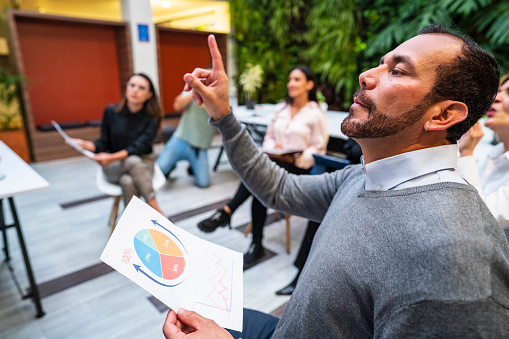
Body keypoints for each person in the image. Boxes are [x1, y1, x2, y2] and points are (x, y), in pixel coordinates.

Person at [163, 25, 509, 339]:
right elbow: (279, 188)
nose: (365, 75)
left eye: (398, 71)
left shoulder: (456, 258)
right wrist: (223, 115)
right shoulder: (362, 176)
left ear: (444, 115)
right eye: (380, 63)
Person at [197, 65, 328, 269]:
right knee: (260, 185)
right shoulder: (280, 108)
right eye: (290, 79)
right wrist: (272, 147)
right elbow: (268, 137)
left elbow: (318, 148)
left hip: (298, 169)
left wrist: (299, 157)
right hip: (274, 161)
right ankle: (249, 235)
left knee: (260, 181)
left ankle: (231, 214)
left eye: (297, 79)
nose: (291, 83)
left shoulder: (316, 114)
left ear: (309, 85)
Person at [71, 73, 165, 215]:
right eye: (132, 85)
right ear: (126, 87)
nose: (135, 90)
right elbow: (103, 143)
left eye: (141, 88)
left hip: (144, 162)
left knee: (127, 181)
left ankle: (132, 223)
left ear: (149, 95)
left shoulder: (153, 117)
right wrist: (84, 144)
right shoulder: (111, 112)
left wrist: (111, 157)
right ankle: (158, 212)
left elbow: (139, 146)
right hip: (115, 166)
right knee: (132, 161)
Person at [458, 74, 509, 235]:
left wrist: (466, 153)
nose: (496, 98)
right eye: (498, 91)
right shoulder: (489, 156)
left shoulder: (473, 153)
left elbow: (477, 217)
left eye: (508, 93)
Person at [156, 75, 218, 188]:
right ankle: (171, 165)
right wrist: (196, 90)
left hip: (199, 148)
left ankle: (192, 166)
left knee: (204, 183)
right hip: (181, 139)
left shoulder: (219, 97)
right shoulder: (192, 91)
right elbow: (177, 105)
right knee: (159, 172)